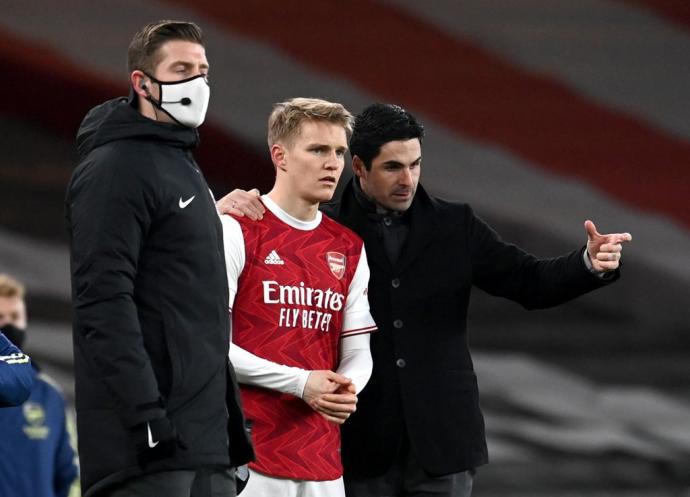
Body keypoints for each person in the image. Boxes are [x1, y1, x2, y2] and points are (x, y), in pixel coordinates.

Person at [218, 102, 632, 497]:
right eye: (393, 167)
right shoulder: (326, 230)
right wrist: (216, 207)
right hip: (357, 442)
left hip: (443, 441)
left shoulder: (456, 225)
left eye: (415, 165)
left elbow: (530, 282)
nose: (408, 180)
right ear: (359, 167)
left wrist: (588, 263)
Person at [66, 20, 253, 497]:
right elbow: (103, 303)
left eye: (204, 71)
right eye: (182, 69)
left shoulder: (181, 164)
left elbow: (192, 311)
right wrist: (145, 419)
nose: (197, 83)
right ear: (142, 83)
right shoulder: (114, 168)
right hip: (148, 452)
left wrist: (230, 434)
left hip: (203, 447)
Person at [221, 97, 377, 497]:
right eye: (318, 150)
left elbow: (358, 349)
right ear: (280, 156)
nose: (333, 164)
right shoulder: (236, 230)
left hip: (323, 462)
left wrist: (346, 388)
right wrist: (300, 382)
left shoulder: (348, 248)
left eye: (340, 152)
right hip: (246, 456)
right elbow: (210, 345)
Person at [0, 274, 78, 497]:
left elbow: (66, 472)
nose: (9, 323)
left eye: (15, 316)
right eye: (1, 317)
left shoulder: (50, 395)